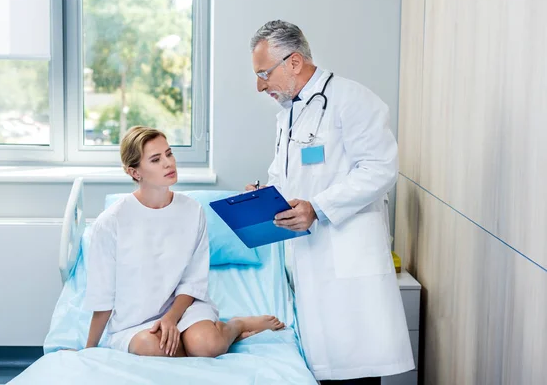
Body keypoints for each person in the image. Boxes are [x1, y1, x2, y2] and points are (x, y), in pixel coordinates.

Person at [246, 20, 414, 384]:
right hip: (307, 260)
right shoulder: (289, 113)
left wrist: (317, 208)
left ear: (293, 62)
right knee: (324, 369)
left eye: (263, 73)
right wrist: (262, 193)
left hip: (346, 258)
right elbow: (286, 175)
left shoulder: (353, 100)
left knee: (354, 370)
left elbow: (381, 169)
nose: (260, 85)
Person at [84, 126, 284, 357]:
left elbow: (192, 280)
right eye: (156, 159)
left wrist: (171, 318)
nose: (168, 163)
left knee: (207, 346)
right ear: (135, 172)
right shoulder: (111, 222)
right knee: (155, 349)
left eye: (169, 154)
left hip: (184, 308)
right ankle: (198, 338)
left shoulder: (192, 211)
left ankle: (235, 325)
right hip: (134, 321)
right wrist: (88, 351)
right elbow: (102, 296)